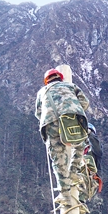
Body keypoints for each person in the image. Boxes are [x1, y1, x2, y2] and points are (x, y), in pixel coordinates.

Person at [35, 68, 90, 205]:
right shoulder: (71, 86)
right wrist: (72, 110)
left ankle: (65, 195)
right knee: (80, 143)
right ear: (60, 78)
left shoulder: (42, 92)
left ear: (46, 81)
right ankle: (73, 172)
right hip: (72, 120)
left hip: (51, 123)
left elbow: (38, 112)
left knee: (58, 159)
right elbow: (85, 103)